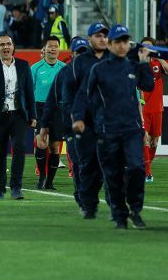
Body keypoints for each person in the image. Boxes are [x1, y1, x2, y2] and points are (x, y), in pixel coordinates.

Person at [71, 24, 154, 229]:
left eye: (125, 41)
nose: (122, 45)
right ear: (110, 45)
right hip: (107, 131)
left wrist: (145, 63)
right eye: (118, 41)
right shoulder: (98, 69)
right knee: (113, 175)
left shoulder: (134, 66)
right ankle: (119, 215)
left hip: (132, 129)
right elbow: (83, 96)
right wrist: (79, 118)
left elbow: (148, 86)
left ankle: (135, 209)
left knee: (137, 168)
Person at [0, 34, 36, 200]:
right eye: (2, 45)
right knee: (0, 153)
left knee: (19, 148)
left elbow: (29, 92)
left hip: (19, 115)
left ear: (13, 47)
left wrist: (33, 115)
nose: (6, 47)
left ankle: (16, 188)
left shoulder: (24, 65)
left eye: (8, 44)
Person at [63, 22, 110, 219]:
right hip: (85, 124)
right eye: (97, 35)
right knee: (87, 166)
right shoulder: (78, 64)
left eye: (105, 35)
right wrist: (75, 116)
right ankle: (87, 203)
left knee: (110, 167)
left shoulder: (115, 60)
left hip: (108, 123)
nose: (102, 39)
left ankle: (114, 206)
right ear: (90, 38)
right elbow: (70, 94)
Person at [40, 37, 89, 209]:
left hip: (94, 126)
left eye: (85, 52)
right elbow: (51, 101)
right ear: (73, 53)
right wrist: (44, 125)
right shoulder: (64, 73)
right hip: (72, 126)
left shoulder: (98, 71)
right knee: (78, 162)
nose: (82, 55)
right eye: (79, 52)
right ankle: (81, 195)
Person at [31, 36, 67, 189]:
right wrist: (31, 113)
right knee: (41, 142)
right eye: (50, 46)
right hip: (40, 107)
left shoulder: (64, 68)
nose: (53, 49)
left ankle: (50, 182)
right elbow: (29, 92)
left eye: (55, 46)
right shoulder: (35, 68)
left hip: (58, 108)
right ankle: (42, 177)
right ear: (44, 49)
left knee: (54, 147)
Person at [138, 37, 168, 183]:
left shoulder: (157, 63)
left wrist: (159, 57)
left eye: (149, 46)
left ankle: (145, 167)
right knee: (144, 139)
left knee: (154, 142)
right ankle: (147, 173)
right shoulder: (137, 64)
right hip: (143, 108)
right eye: (144, 45)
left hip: (157, 108)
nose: (146, 48)